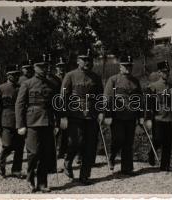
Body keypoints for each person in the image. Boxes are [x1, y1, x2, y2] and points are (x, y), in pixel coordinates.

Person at [60, 51, 103, 185]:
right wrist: (63, 115)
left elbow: (100, 96)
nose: (87, 62)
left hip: (91, 115)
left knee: (90, 146)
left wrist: (101, 112)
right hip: (75, 115)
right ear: (78, 61)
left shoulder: (95, 77)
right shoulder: (70, 76)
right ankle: (68, 161)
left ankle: (85, 175)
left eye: (89, 60)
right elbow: (63, 97)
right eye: (83, 59)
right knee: (76, 142)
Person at [15, 60, 57, 193]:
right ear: (34, 68)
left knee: (45, 153)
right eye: (40, 67)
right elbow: (19, 105)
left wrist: (58, 121)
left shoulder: (52, 84)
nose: (44, 69)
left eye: (45, 67)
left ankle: (42, 182)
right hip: (32, 122)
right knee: (33, 152)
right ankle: (30, 179)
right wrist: (20, 124)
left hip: (48, 122)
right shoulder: (27, 84)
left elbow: (56, 104)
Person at [104, 55, 144, 175]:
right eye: (125, 66)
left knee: (128, 142)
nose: (128, 68)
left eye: (130, 66)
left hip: (131, 116)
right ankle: (112, 156)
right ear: (120, 67)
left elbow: (139, 100)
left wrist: (141, 116)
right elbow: (107, 99)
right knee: (118, 139)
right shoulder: (113, 80)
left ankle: (126, 168)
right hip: (117, 116)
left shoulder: (135, 81)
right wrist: (108, 115)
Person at [145, 60, 172, 171]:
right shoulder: (153, 87)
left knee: (168, 143)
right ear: (159, 72)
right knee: (158, 139)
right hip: (158, 118)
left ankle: (164, 165)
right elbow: (148, 104)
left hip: (170, 119)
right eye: (164, 72)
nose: (166, 74)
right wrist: (148, 118)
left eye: (168, 71)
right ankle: (152, 152)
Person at [0, 65, 25, 179]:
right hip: (6, 121)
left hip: (20, 121)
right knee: (7, 145)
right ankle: (1, 163)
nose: (15, 77)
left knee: (20, 146)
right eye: (13, 74)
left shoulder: (22, 88)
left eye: (17, 75)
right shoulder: (0, 88)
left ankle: (16, 169)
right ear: (8, 76)